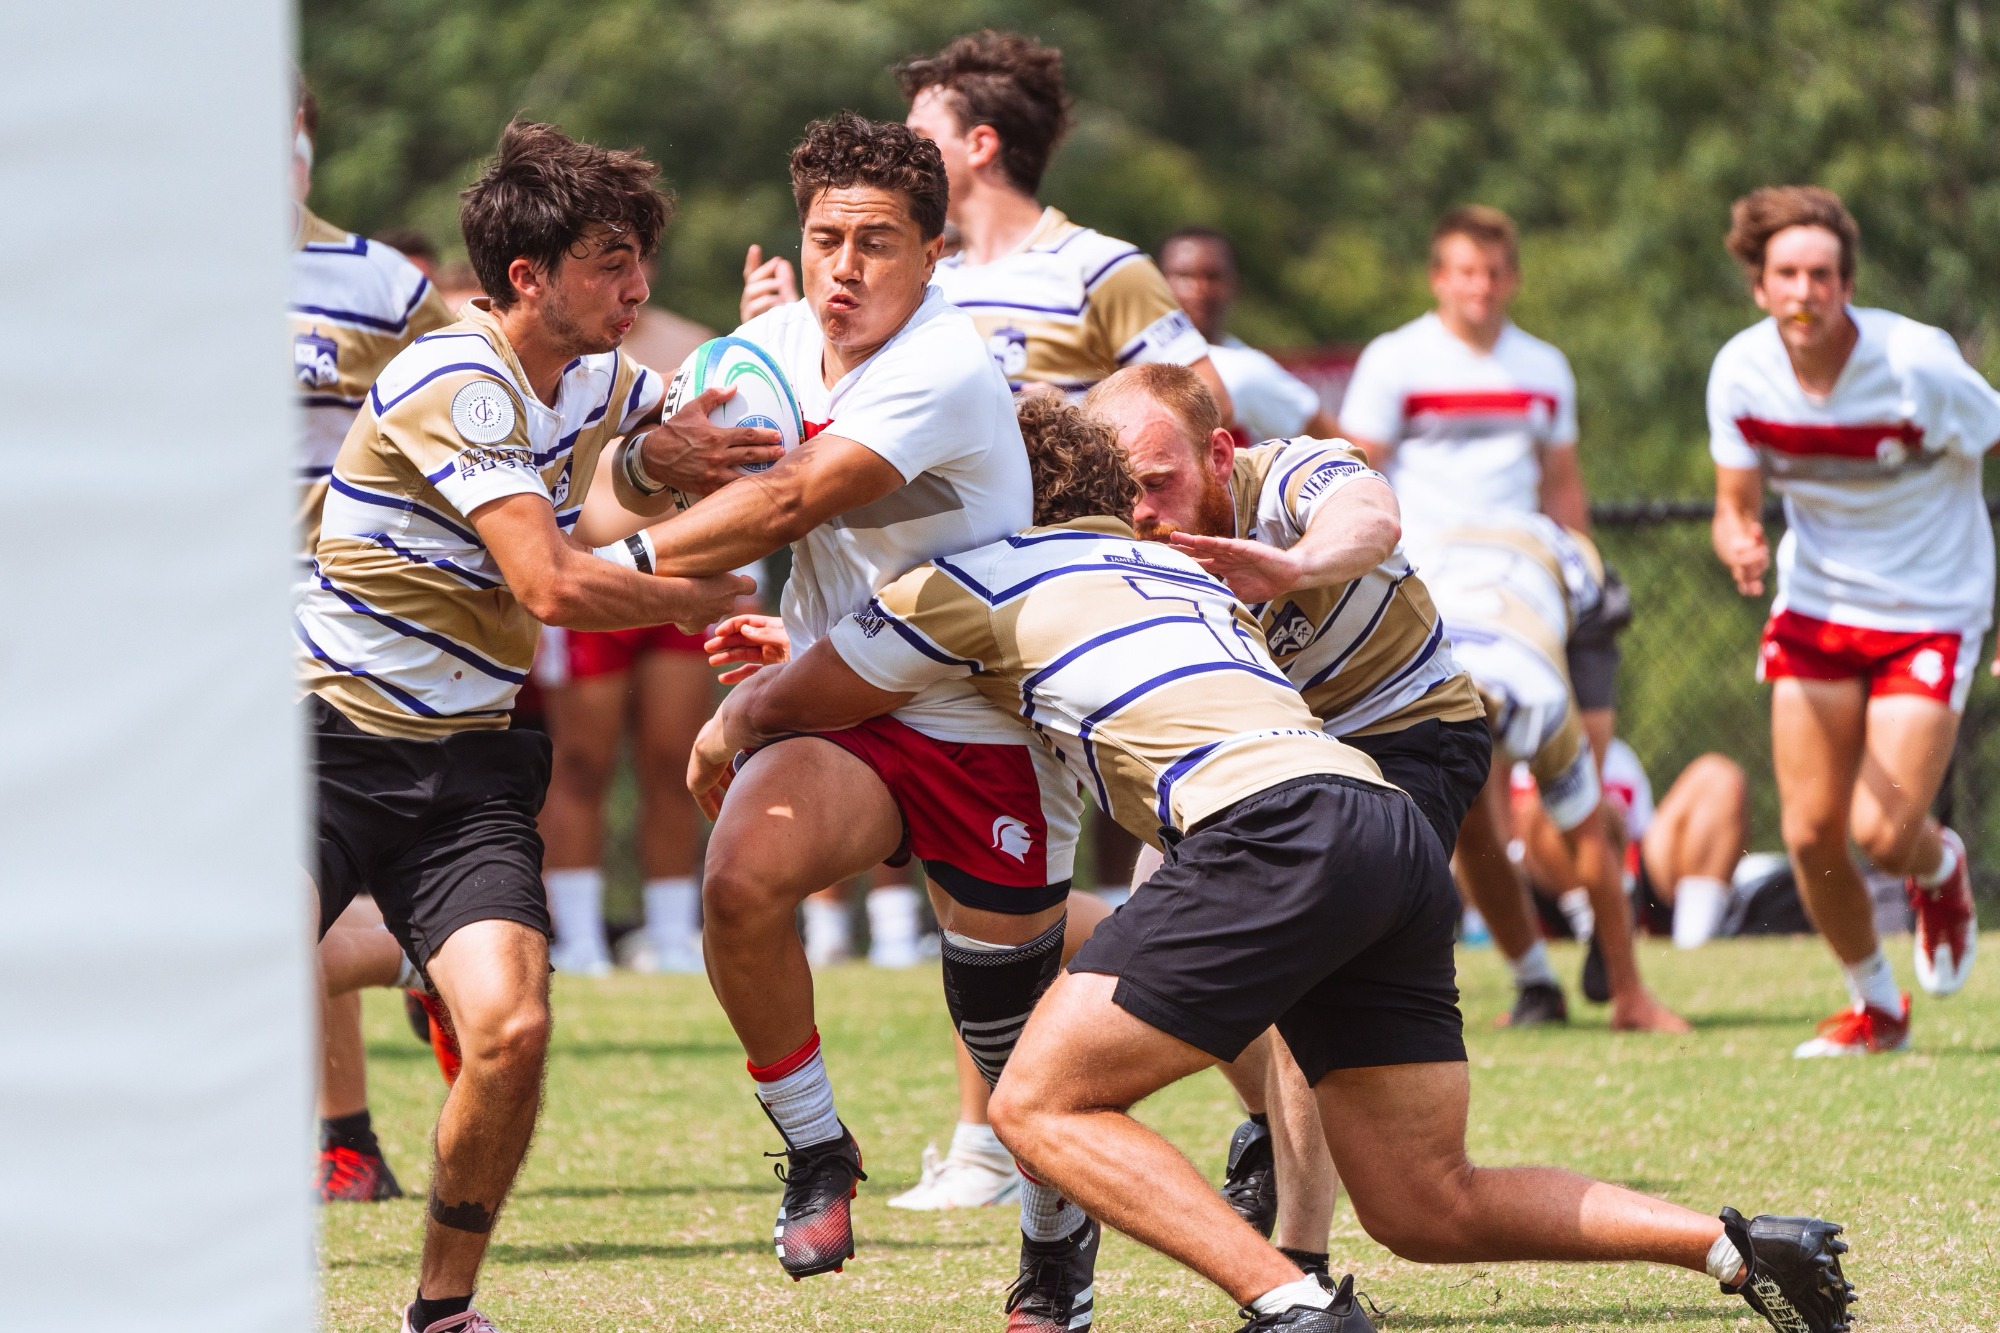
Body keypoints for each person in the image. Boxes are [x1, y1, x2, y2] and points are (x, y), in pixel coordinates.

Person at [690, 395, 1856, 1333]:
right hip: (1383, 827)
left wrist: (730, 725)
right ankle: (1735, 1245)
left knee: (1037, 1100)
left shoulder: (976, 578)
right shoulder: (1185, 573)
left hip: (1266, 830)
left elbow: (795, 705)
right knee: (1422, 1202)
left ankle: (1290, 1302)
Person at [612, 114, 1092, 1300]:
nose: (844, 268)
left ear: (933, 254)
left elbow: (786, 502)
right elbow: (643, 442)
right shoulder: (770, 343)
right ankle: (817, 1146)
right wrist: (647, 458)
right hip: (843, 703)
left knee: (1000, 1028)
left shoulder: (943, 363)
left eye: (877, 242)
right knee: (738, 883)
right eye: (826, 238)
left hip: (982, 717)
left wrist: (605, 568)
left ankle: (1053, 1239)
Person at [298, 120, 759, 1333]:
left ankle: (442, 1312)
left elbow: (676, 431)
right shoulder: (454, 376)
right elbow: (552, 581)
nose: (639, 288)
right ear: (527, 276)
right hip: (319, 743)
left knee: (509, 1030)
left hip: (468, 768)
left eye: (639, 259)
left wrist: (755, 363)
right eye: (612, 262)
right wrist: (698, 595)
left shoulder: (594, 377)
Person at [1083, 362, 1489, 1270]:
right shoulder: (1120, 541)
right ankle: (1270, 1122)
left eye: (1159, 483)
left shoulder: (1297, 476)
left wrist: (1295, 566)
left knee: (1312, 966)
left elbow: (1372, 520)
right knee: (1155, 924)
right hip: (1260, 766)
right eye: (1124, 494)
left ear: (1221, 455)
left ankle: (1300, 1263)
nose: (1143, 513)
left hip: (1405, 735)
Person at [1708, 185, 1994, 1056]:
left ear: (1847, 283)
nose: (1805, 292)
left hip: (1932, 608)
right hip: (1821, 606)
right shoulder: (1741, 372)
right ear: (1760, 286)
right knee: (1806, 830)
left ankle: (1938, 868)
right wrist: (1740, 538)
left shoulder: (1920, 367)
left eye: (1822, 274)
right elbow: (1734, 503)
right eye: (1787, 274)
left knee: (1883, 833)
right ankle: (1877, 1006)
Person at [289, 83, 455, 1205]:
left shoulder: (378, 285)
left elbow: (490, 398)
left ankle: (340, 1136)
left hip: (326, 630)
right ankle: (429, 948)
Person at [1423, 515, 1689, 1033]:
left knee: (1579, 805)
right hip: (1455, 564)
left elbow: (1584, 834)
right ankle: (1537, 986)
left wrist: (1630, 998)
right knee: (1471, 825)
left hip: (1568, 577)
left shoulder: (1541, 705)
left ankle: (1626, 970)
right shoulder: (1401, 686)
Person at [1516, 742, 1750, 949]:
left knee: (1718, 777)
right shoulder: (1508, 753)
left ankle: (1693, 949)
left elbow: (1642, 838)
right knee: (1557, 791)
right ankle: (1600, 947)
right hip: (1543, 895)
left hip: (1630, 884)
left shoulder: (1620, 758)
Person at [1158, 226, 1340, 442]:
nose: (1200, 288)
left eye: (1213, 276)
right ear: (1158, 283)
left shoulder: (1247, 370)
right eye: (1184, 275)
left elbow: (1338, 445)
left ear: (1234, 285)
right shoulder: (1128, 354)